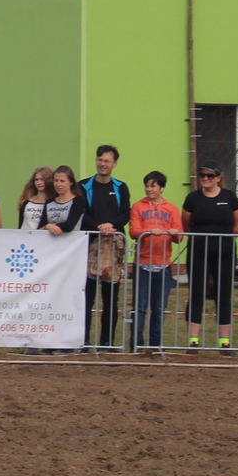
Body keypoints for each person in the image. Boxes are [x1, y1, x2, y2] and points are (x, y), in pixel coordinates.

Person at [182, 161, 238, 352]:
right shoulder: (192, 198)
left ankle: (224, 342)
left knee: (223, 294)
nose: (205, 179)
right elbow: (186, 223)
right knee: (197, 293)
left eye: (210, 176)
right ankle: (193, 340)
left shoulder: (229, 196)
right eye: (202, 175)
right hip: (199, 252)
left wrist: (232, 234)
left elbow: (237, 221)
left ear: (218, 178)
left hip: (225, 252)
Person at [80, 145, 131, 350]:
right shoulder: (84, 186)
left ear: (114, 164)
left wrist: (111, 225)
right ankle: (84, 340)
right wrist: (98, 227)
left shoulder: (121, 187)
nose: (102, 164)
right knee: (87, 297)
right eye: (100, 160)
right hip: (89, 247)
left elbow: (125, 214)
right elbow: (82, 213)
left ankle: (107, 342)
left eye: (107, 161)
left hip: (113, 248)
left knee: (111, 298)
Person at [128, 170, 181, 351]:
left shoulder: (171, 208)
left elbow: (179, 235)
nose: (149, 189)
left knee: (159, 308)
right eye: (147, 186)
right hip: (142, 263)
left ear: (161, 188)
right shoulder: (138, 206)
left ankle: (155, 345)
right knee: (140, 306)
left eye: (153, 186)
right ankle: (136, 344)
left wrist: (174, 233)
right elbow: (134, 231)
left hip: (163, 264)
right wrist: (149, 231)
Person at [16, 166, 52, 231]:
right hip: (25, 236)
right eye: (36, 180)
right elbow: (20, 225)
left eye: (42, 179)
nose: (39, 183)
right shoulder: (26, 202)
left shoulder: (53, 203)